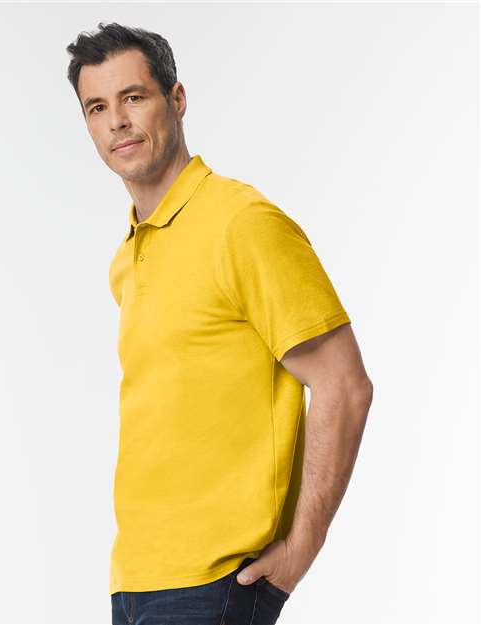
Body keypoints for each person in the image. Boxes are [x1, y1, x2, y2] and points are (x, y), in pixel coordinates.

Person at [66, 22, 373, 625]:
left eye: (133, 97)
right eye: (97, 107)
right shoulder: (127, 256)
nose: (117, 121)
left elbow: (344, 383)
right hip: (135, 581)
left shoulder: (241, 223)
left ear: (176, 99)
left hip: (217, 582)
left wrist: (302, 547)